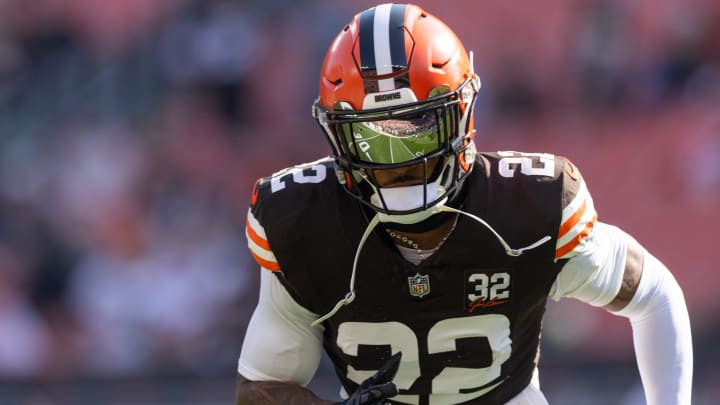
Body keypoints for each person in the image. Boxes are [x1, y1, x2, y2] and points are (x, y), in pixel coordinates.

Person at [236, 3, 693, 404]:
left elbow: (653, 294)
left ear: (462, 114)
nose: (402, 160)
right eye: (374, 137)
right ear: (338, 135)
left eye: (418, 127)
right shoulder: (304, 224)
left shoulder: (526, 207)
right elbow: (260, 387)